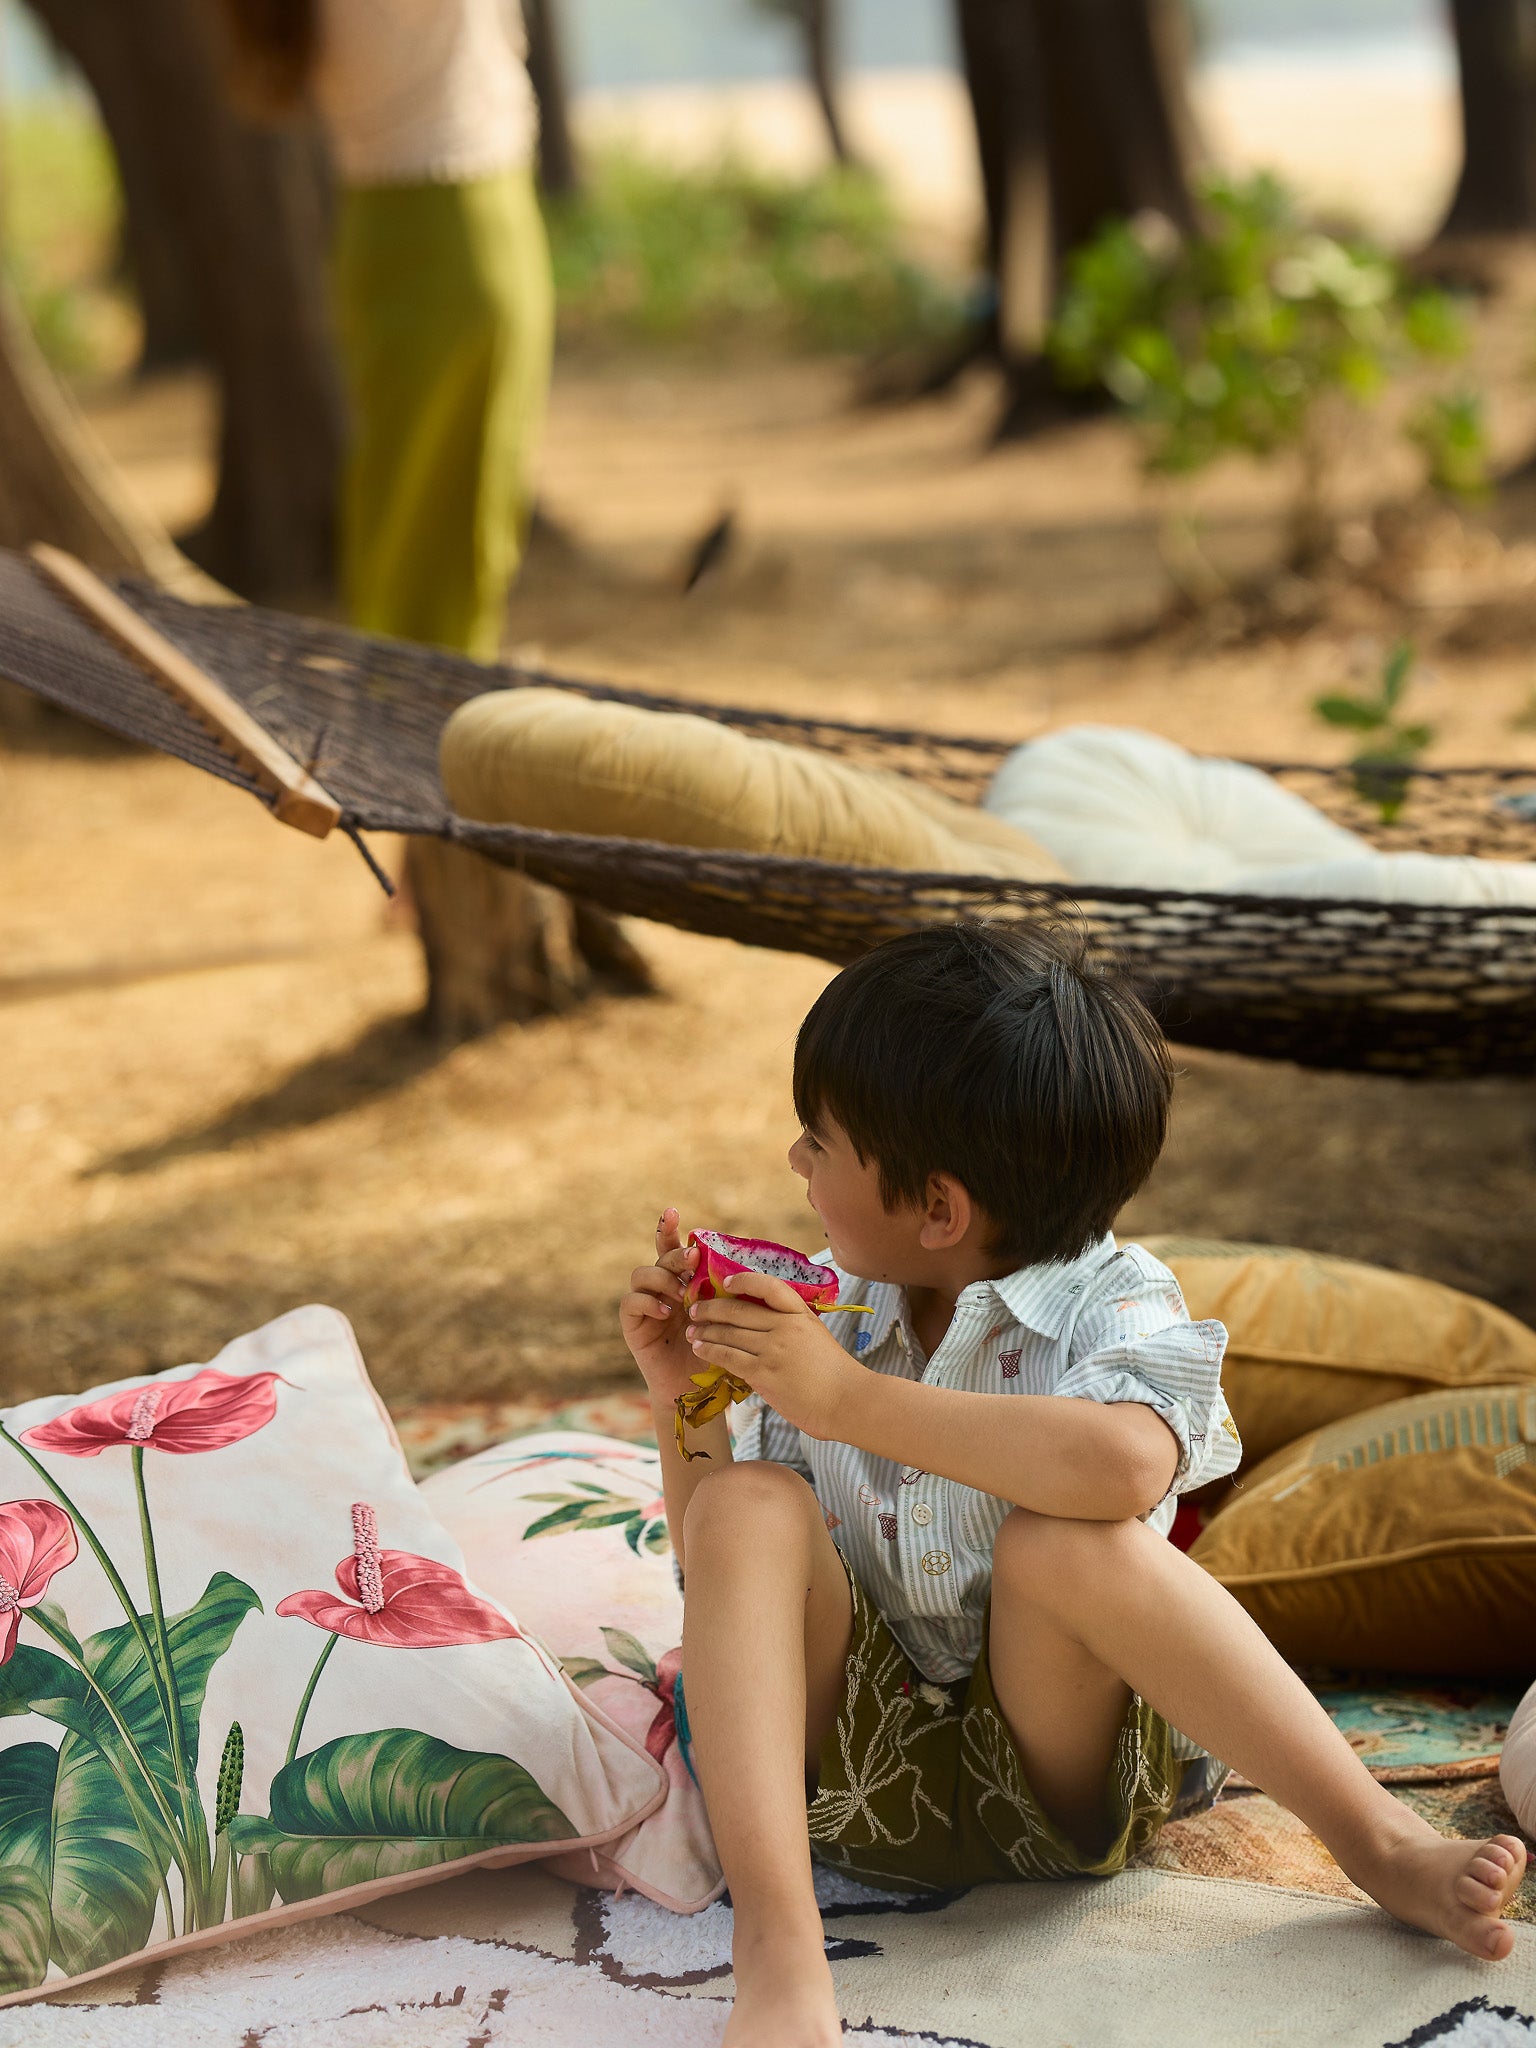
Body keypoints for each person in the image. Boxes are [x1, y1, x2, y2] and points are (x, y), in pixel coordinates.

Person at [620, 921, 1526, 2048]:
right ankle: (781, 1942)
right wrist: (681, 1389)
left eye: (820, 1142)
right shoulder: (837, 1305)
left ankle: (1380, 1842)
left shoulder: (1115, 1298)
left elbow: (1125, 1462)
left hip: (1063, 1777)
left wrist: (844, 1399)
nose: (795, 1164)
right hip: (850, 1783)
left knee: (1073, 1536)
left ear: (939, 1209)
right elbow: (720, 1561)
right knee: (750, 1501)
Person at [220, 0, 553, 657]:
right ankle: (420, 721)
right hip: (460, 225)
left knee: (413, 503)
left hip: (394, 225)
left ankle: (404, 707)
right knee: (454, 515)